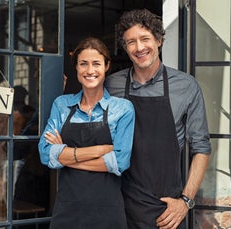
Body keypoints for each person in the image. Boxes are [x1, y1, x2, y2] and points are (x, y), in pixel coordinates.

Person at [105, 9, 211, 229]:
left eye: (145, 39)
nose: (139, 47)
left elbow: (201, 148)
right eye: (131, 42)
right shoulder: (111, 85)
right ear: (125, 48)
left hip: (166, 210)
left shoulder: (186, 86)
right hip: (118, 204)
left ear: (159, 40)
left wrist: (186, 201)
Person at [38, 37, 135, 228]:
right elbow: (45, 154)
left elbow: (120, 162)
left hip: (107, 212)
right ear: (76, 68)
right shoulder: (62, 105)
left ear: (107, 66)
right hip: (67, 210)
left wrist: (66, 156)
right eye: (83, 64)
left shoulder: (123, 109)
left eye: (96, 64)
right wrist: (101, 150)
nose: (90, 70)